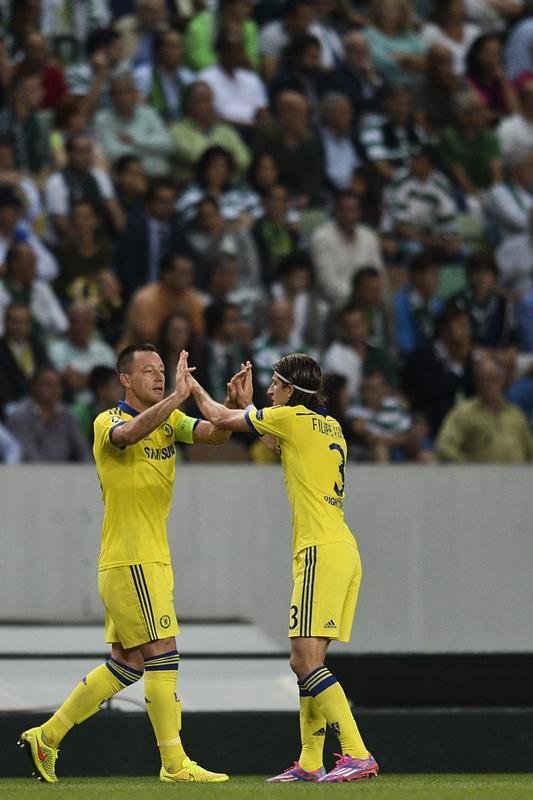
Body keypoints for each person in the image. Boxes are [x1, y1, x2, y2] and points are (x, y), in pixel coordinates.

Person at [17, 344, 250, 783]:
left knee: (127, 663)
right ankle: (175, 763)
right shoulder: (110, 420)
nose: (159, 377)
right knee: (164, 653)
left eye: (162, 370)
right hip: (132, 558)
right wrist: (175, 400)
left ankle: (46, 737)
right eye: (148, 371)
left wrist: (234, 404)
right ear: (125, 379)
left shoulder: (170, 421)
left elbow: (216, 434)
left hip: (150, 558)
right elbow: (127, 437)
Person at [184, 351, 379, 783]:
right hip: (341, 549)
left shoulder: (290, 419)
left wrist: (191, 388)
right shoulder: (329, 426)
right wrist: (246, 407)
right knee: (310, 661)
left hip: (319, 552)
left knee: (303, 662)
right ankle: (311, 761)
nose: (270, 391)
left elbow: (218, 419)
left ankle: (357, 752)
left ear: (291, 391)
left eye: (275, 384)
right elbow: (269, 439)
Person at [436, 354, 533, 462]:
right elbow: (445, 446)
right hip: (480, 477)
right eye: (481, 379)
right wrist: (466, 467)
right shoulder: (464, 413)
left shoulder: (515, 414)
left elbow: (530, 450)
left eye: (491, 379)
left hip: (518, 476)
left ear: (501, 380)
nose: (486, 384)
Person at [5, 366, 91, 463]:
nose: (53, 389)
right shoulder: (20, 415)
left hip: (66, 472)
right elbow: (28, 453)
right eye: (47, 384)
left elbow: (82, 449)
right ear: (34, 386)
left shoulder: (67, 415)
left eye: (57, 385)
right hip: (29, 472)